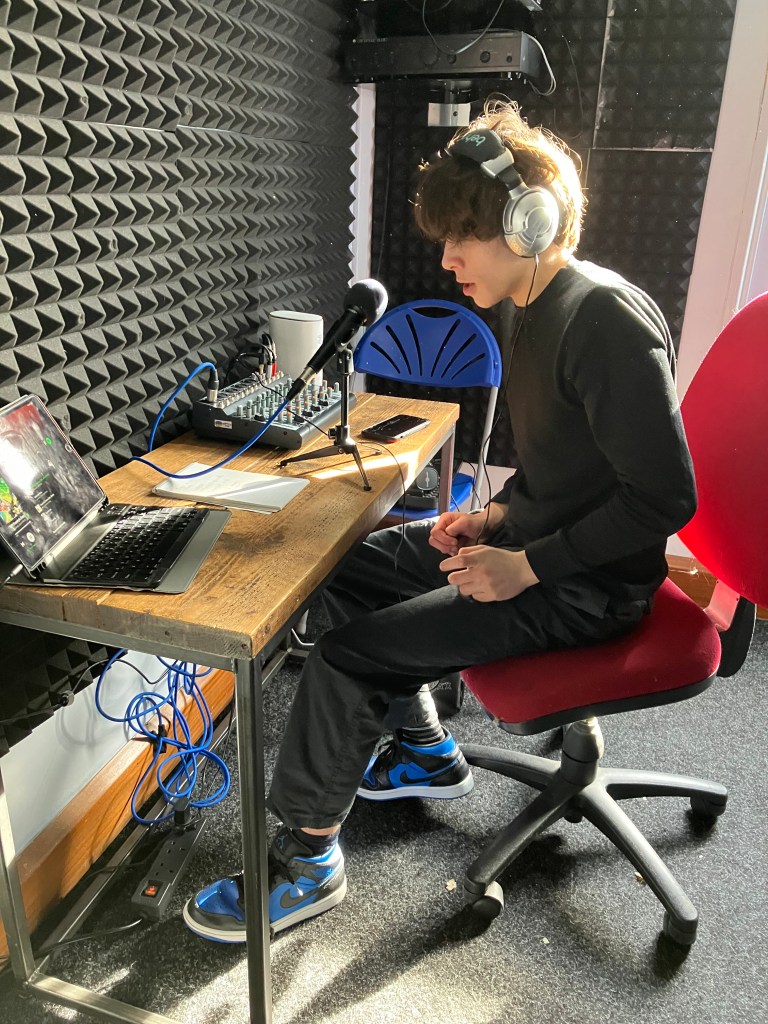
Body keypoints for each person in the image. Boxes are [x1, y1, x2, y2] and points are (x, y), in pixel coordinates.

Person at [183, 99, 697, 942]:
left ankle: (305, 862)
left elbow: (665, 498)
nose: (448, 257)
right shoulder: (531, 304)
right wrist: (491, 517)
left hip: (588, 587)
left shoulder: (604, 321)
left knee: (347, 658)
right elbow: (570, 468)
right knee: (345, 565)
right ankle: (424, 747)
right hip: (534, 547)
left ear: (531, 225)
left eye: (465, 236)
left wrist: (525, 566)